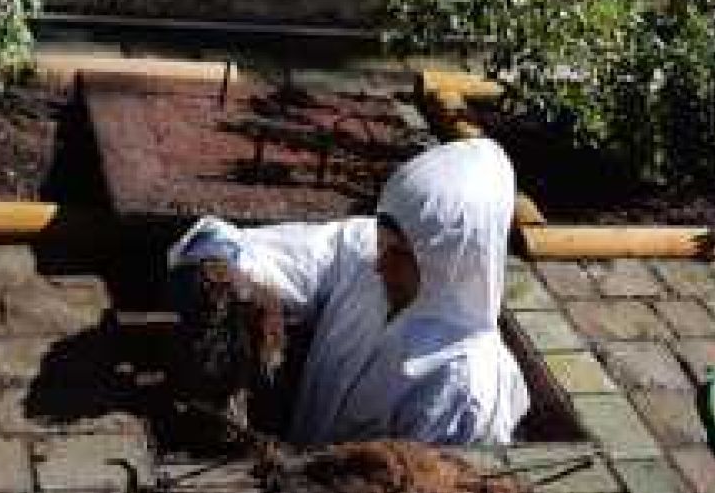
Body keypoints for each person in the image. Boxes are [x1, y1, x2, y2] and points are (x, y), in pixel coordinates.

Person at [167, 138, 530, 446]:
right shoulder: (365, 250)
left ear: (454, 264)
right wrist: (223, 272)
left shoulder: (463, 388)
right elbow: (241, 247)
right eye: (381, 241)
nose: (378, 264)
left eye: (400, 254)